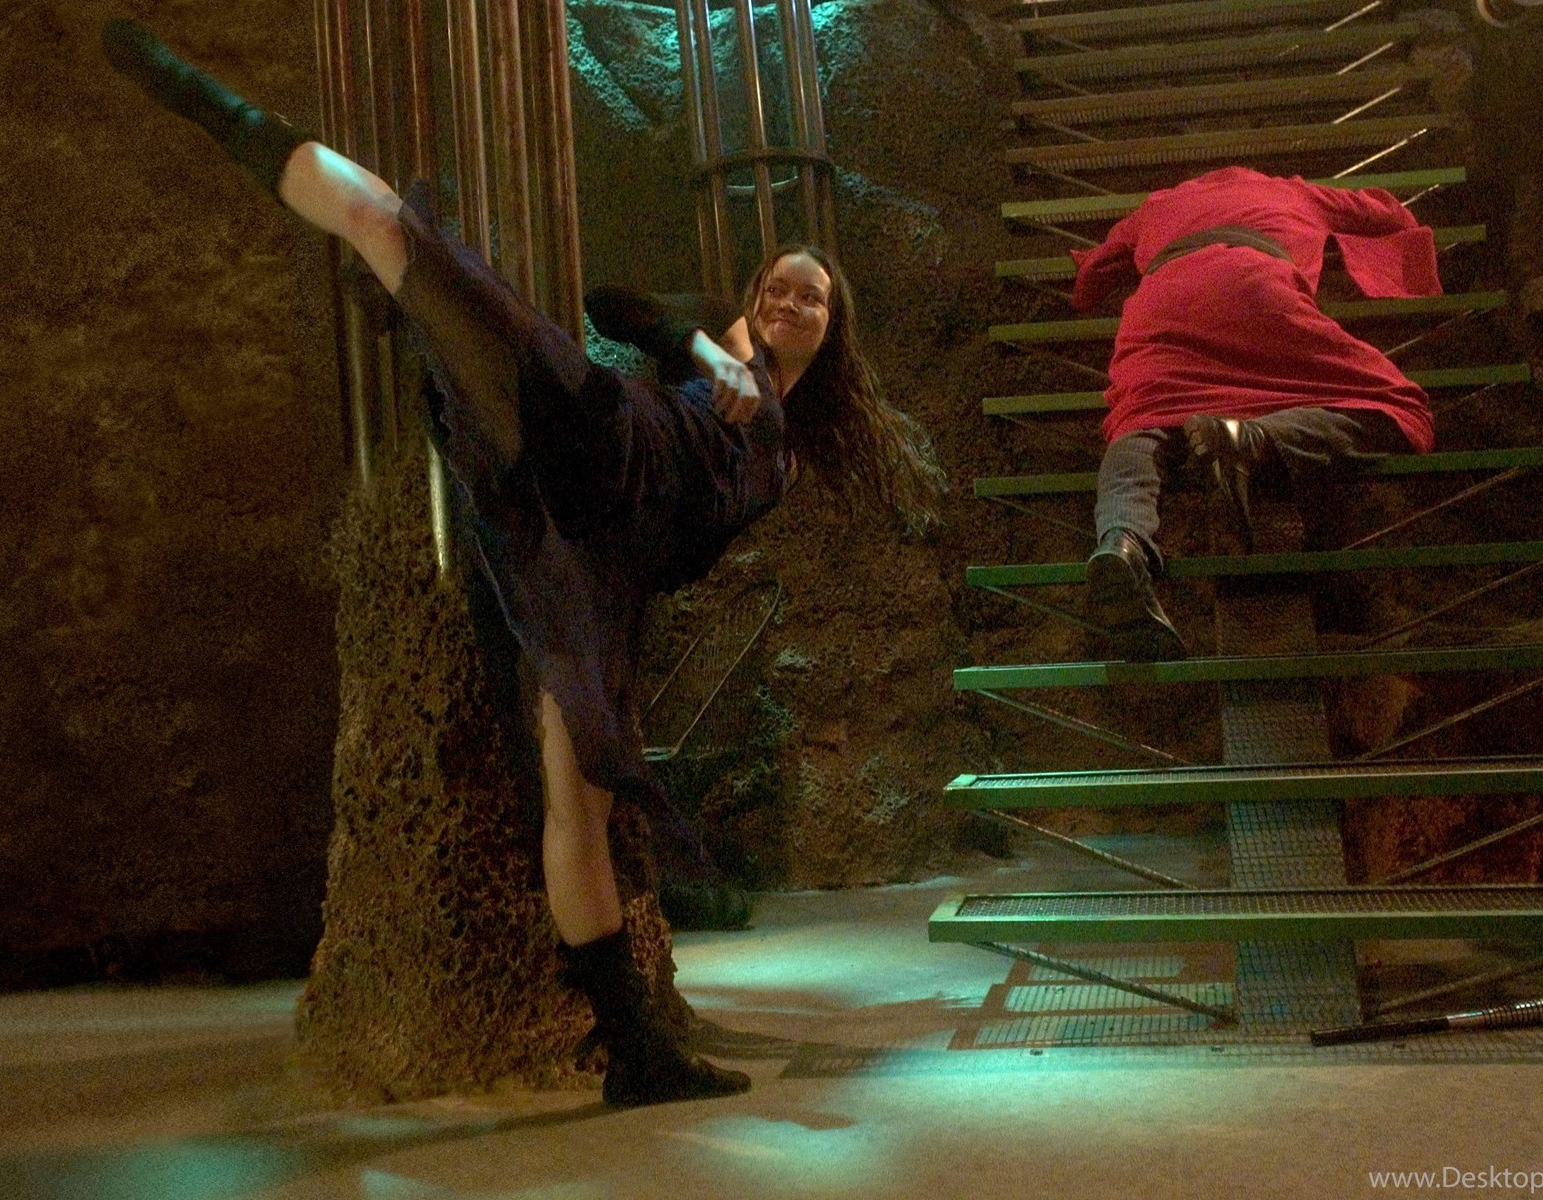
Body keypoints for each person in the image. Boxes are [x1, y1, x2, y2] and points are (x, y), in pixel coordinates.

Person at [99, 19, 942, 1106]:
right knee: (399, 237)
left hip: (598, 569)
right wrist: (699, 346)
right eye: (777, 286)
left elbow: (690, 541)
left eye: (810, 297)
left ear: (832, 327)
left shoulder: (784, 447)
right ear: (752, 298)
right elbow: (608, 306)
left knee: (579, 793)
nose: (788, 302)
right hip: (603, 438)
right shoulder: (710, 343)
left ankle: (631, 1049)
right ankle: (212, 105)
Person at [1068, 166, 1441, 661]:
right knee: (1395, 407)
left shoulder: (1157, 204)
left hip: (1163, 301)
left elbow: (1095, 269)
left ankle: (1121, 540)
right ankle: (1252, 438)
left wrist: (1089, 281)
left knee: (1141, 421)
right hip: (1258, 289)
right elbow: (1387, 212)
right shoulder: (1294, 192)